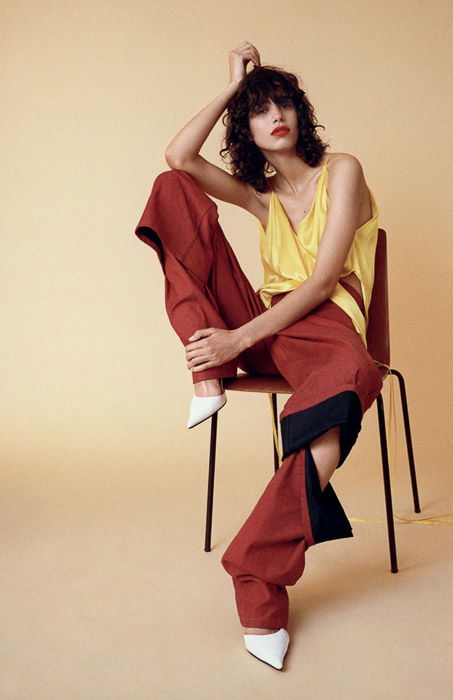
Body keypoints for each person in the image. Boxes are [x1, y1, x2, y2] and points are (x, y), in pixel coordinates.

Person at [135, 40, 383, 670]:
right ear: (244, 129)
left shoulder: (343, 172)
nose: (275, 114)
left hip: (323, 328)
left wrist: (237, 340)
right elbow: (179, 156)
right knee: (170, 188)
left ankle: (256, 568)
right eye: (258, 110)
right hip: (264, 327)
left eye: (283, 103)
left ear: (300, 113)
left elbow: (325, 282)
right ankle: (207, 374)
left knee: (348, 383)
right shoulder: (261, 197)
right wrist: (230, 88)